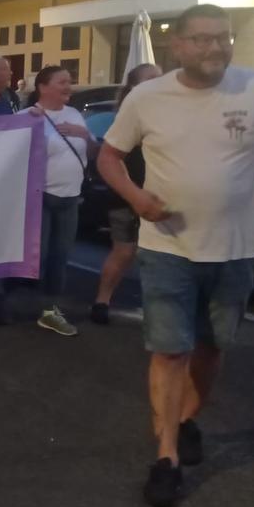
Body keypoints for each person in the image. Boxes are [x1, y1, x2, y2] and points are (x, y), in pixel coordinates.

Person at [99, 4, 254, 507]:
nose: (215, 47)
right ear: (178, 46)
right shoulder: (147, 97)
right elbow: (109, 157)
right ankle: (165, 456)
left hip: (235, 249)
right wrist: (138, 198)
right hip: (168, 247)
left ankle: (186, 420)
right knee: (169, 350)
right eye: (203, 39)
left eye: (223, 38)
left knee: (212, 348)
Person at [21, 65, 96, 338]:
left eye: (70, 82)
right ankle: (38, 306)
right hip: (41, 198)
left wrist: (84, 134)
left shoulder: (75, 114)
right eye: (62, 82)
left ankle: (49, 309)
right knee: (38, 258)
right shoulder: (26, 116)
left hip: (70, 197)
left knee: (60, 256)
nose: (69, 86)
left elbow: (94, 152)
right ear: (43, 87)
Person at [90, 63, 163, 324]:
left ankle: (155, 307)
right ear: (135, 87)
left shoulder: (165, 112)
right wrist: (133, 193)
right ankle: (102, 301)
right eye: (152, 78)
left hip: (158, 196)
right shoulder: (131, 116)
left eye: (160, 76)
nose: (160, 81)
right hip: (129, 194)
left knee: (156, 256)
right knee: (125, 251)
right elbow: (110, 158)